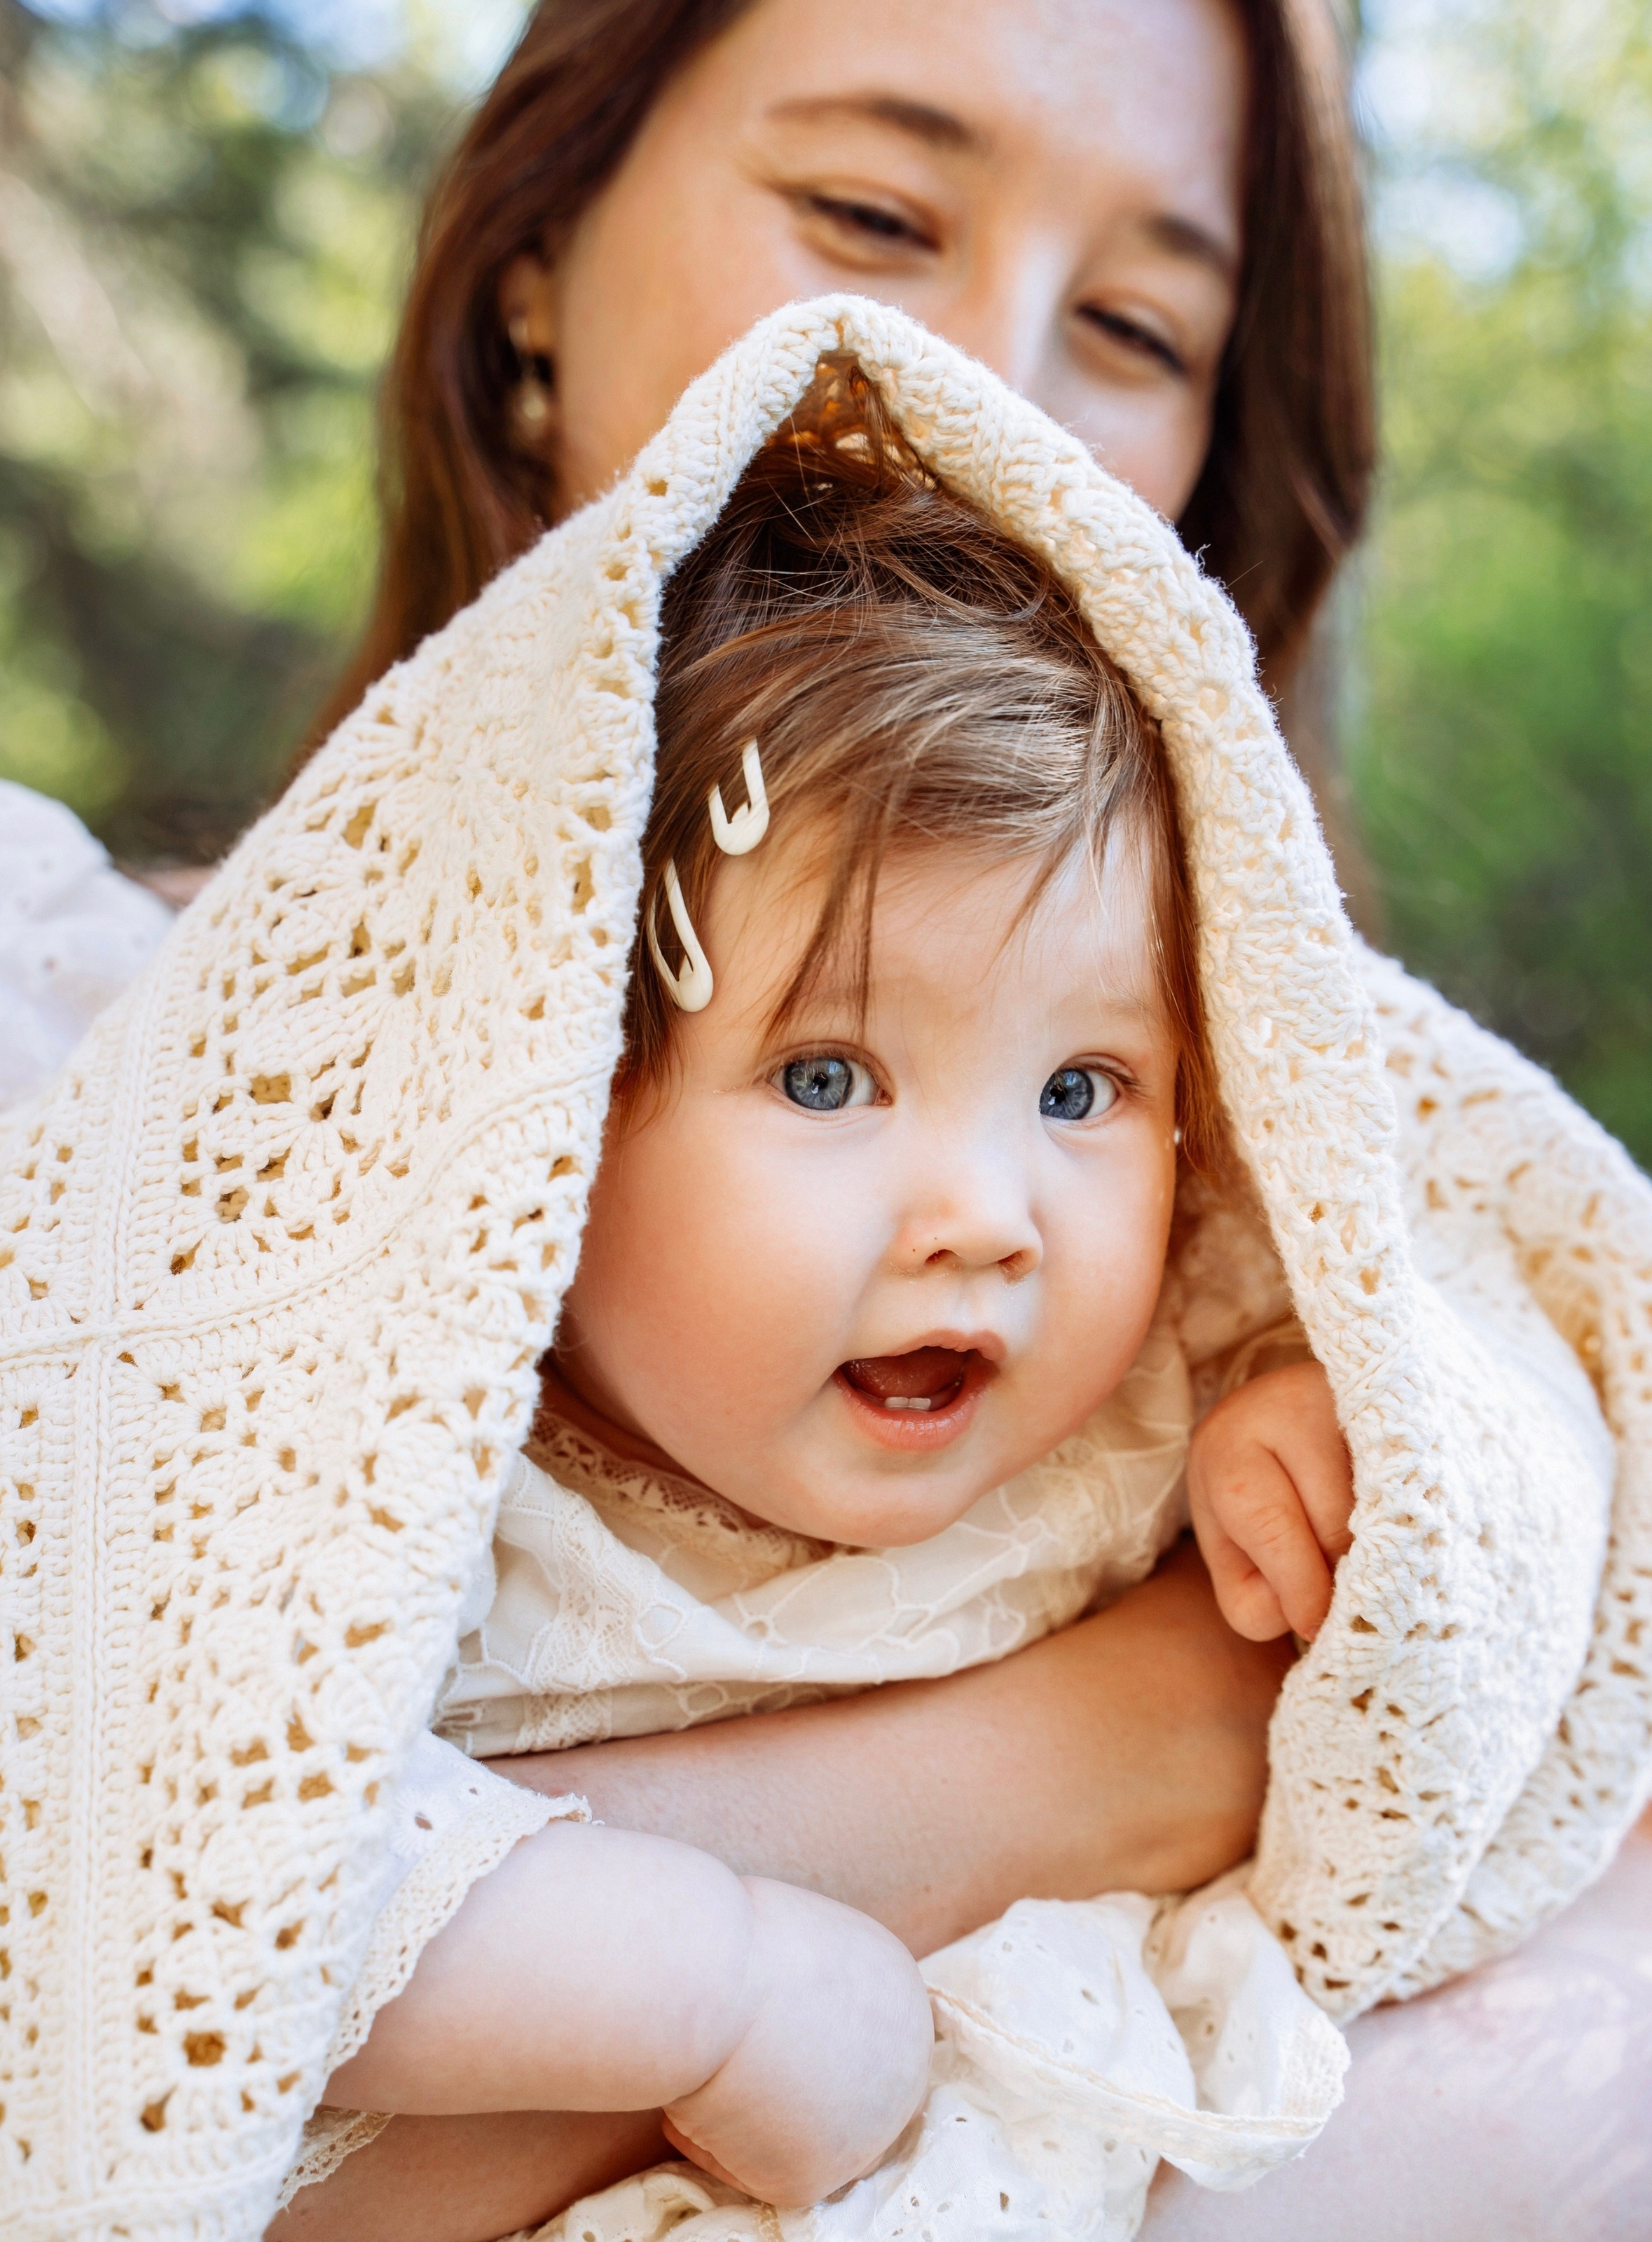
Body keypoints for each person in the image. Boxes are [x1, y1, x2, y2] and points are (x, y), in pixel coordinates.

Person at [249, 2, 1652, 2237]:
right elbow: (96, 1942)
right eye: (870, 213)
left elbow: (1566, 1685)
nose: (997, 385)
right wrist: (1114, 1764)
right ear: (532, 256)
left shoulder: (1242, 1199)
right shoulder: (164, 1205)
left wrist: (1351, 1440)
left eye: (1136, 320)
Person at [292, 372, 1372, 2234]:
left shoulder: (1143, 1381)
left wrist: (1301, 1400)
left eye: (1078, 1093)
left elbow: (1451, 1406)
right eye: (825, 1079)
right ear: (545, 1111)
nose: (989, 1218)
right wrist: (715, 1977)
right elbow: (179, 1858)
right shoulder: (417, 1476)